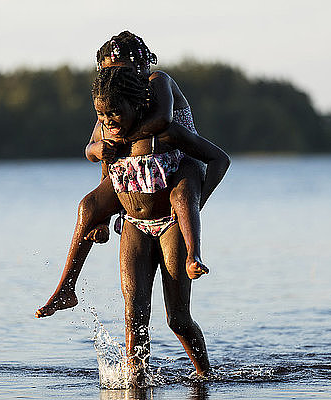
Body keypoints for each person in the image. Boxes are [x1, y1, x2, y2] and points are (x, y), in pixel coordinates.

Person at [35, 31, 212, 319]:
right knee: (88, 206)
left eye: (120, 71)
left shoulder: (157, 82)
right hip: (136, 176)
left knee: (177, 316)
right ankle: (66, 288)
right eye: (107, 73)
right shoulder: (112, 102)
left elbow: (162, 120)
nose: (113, 79)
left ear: (140, 67)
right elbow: (93, 148)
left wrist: (124, 138)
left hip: (180, 162)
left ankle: (194, 254)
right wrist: (101, 149)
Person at [91, 66, 229, 383]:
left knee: (177, 319)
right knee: (133, 316)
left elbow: (219, 159)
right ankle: (136, 380)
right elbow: (107, 175)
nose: (109, 121)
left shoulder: (165, 133)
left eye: (115, 112)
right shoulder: (110, 137)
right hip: (133, 227)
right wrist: (105, 217)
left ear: (137, 106)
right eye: (102, 115)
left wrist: (195, 206)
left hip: (170, 227)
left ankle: (205, 377)